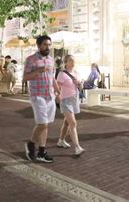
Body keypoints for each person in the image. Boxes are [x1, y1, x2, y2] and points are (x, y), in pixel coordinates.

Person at [24, 35, 61, 163]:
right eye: (45, 44)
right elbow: (26, 77)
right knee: (42, 124)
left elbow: (53, 79)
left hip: (49, 95)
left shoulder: (51, 60)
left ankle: (41, 152)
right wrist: (39, 70)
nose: (47, 47)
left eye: (49, 45)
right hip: (37, 95)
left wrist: (58, 93)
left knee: (46, 126)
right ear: (38, 46)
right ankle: (30, 144)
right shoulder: (31, 60)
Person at [56, 55, 85, 155]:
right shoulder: (62, 74)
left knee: (67, 122)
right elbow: (57, 87)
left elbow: (81, 88)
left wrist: (79, 83)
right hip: (65, 101)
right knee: (73, 123)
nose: (73, 62)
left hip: (75, 100)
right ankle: (77, 147)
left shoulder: (77, 73)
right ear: (66, 62)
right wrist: (57, 95)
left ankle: (61, 140)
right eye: (70, 60)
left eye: (74, 60)